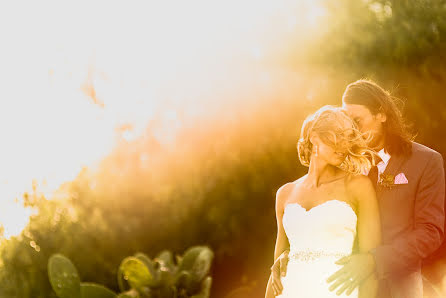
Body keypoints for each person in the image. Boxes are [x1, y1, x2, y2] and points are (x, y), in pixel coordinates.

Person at [270, 79, 445, 298]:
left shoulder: (426, 161)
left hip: (398, 287)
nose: (353, 130)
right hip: (341, 285)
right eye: (347, 122)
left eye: (357, 120)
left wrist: (374, 260)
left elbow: (430, 233)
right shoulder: (340, 163)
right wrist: (293, 252)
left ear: (381, 114)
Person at [265, 105, 382, 298]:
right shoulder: (285, 193)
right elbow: (276, 271)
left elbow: (371, 264)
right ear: (314, 138)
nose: (345, 144)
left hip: (335, 292)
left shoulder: (358, 186)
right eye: (337, 136)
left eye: (348, 137)